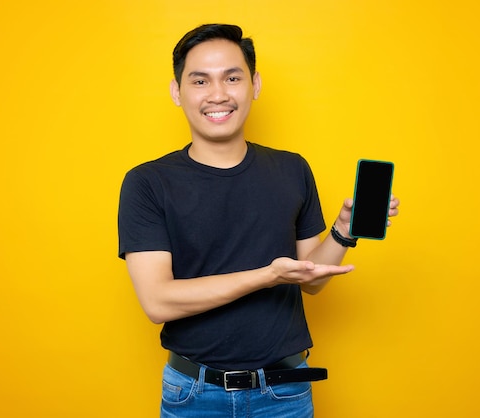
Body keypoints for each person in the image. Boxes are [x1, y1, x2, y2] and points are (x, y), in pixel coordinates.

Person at [118, 23, 400, 418]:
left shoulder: (291, 169)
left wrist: (343, 231)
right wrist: (267, 276)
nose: (218, 94)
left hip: (285, 393)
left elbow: (313, 280)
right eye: (200, 80)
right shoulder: (147, 183)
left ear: (255, 84)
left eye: (232, 78)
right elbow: (158, 300)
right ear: (176, 92)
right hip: (194, 395)